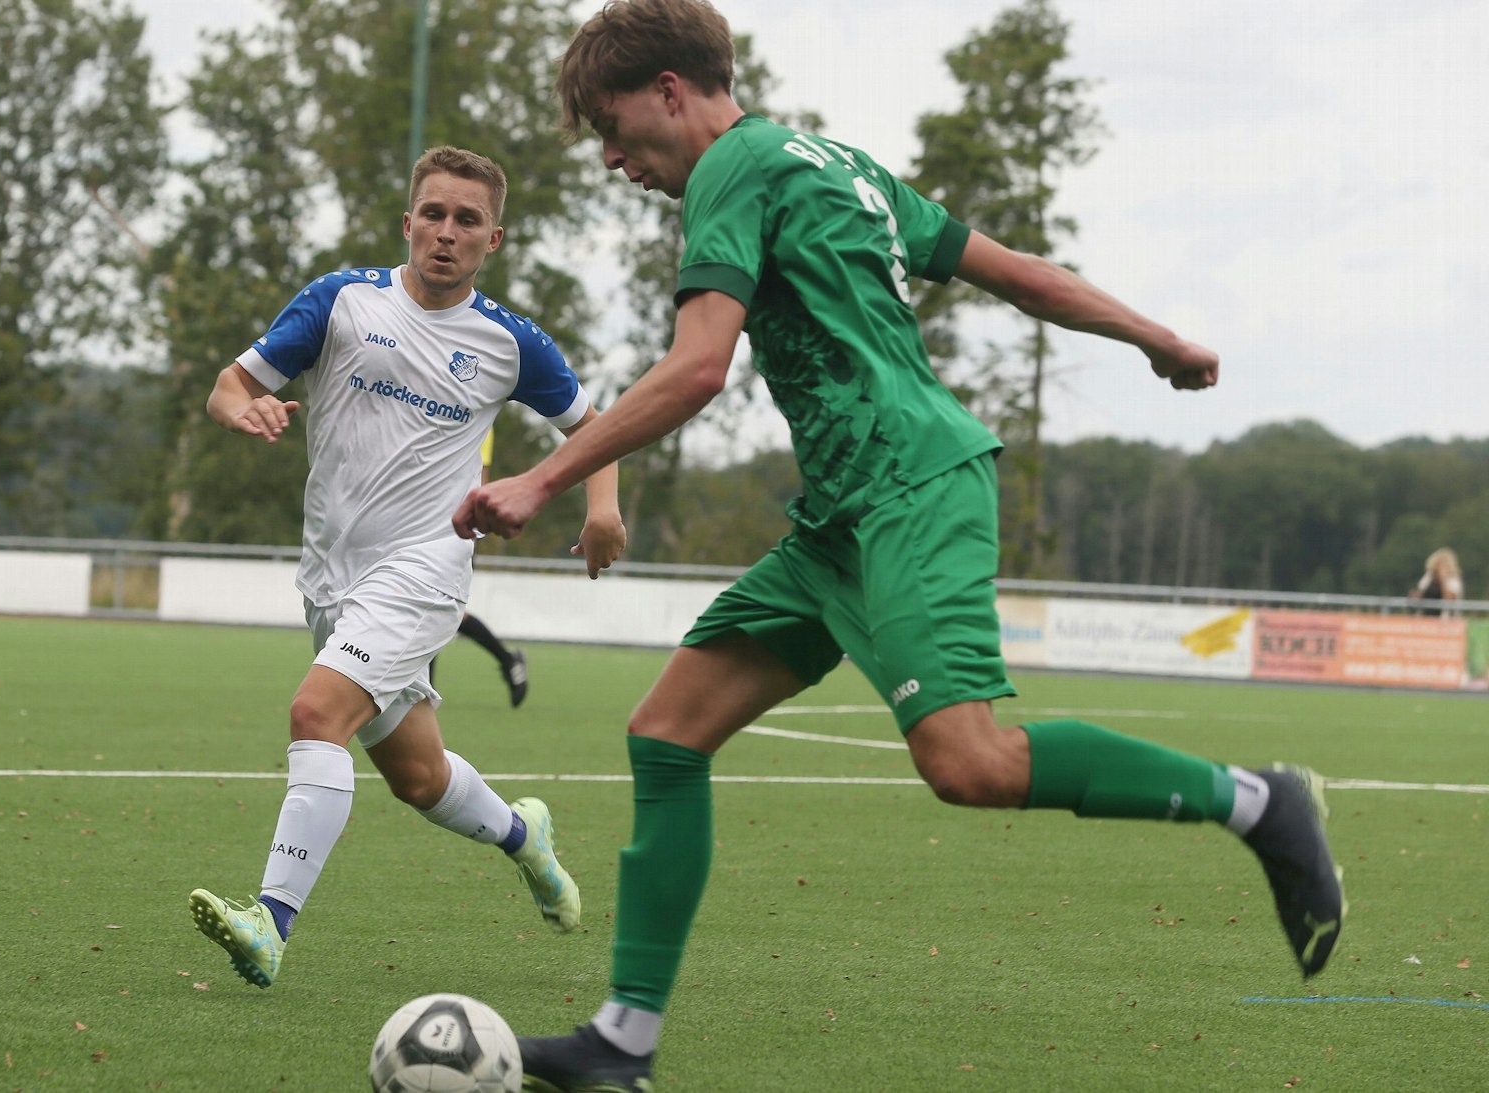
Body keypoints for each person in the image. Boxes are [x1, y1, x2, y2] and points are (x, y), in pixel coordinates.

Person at [451, 3, 1344, 1086]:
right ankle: (622, 1043)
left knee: (968, 764)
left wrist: (544, 476)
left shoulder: (733, 169)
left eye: (613, 125)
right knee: (667, 733)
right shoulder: (836, 163)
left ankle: (1256, 802)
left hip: (910, 489)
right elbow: (1011, 269)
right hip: (841, 517)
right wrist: (1154, 336)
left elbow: (696, 368)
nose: (611, 157)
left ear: (672, 91)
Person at [186, 146, 628, 989]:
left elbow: (594, 425)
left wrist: (601, 507)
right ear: (408, 221)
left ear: (492, 238)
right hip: (331, 579)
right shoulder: (342, 300)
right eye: (434, 213)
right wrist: (247, 411)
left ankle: (269, 924)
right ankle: (523, 836)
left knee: (318, 712)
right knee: (420, 777)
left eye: (467, 220)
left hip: (426, 571)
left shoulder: (508, 341)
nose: (446, 232)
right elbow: (227, 385)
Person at [432, 432, 531, 707]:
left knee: (436, 609)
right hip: (422, 525)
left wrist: (472, 532)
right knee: (439, 613)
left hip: (452, 530)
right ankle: (508, 660)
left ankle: (422, 698)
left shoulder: (475, 403)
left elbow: (480, 477)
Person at [1407, 547, 1463, 619]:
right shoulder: (1429, 577)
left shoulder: (1453, 580)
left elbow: (1450, 599)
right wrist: (1415, 595)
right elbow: (1422, 595)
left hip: (1446, 620)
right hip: (1426, 618)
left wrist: (1444, 579)